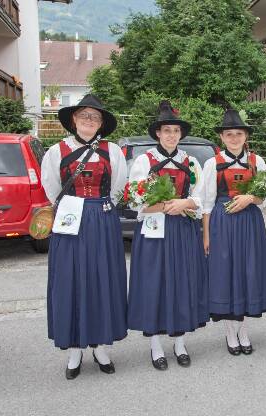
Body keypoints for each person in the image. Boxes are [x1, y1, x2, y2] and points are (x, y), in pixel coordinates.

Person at [40, 94, 127, 379]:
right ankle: (74, 349)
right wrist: (73, 209)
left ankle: (101, 346)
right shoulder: (57, 151)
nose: (89, 121)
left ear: (101, 124)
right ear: (74, 120)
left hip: (102, 219)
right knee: (71, 280)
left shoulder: (112, 151)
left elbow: (117, 189)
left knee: (103, 280)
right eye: (84, 116)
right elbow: (52, 189)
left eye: (95, 117)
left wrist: (98, 208)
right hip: (69, 221)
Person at [127, 101, 208, 370]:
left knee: (182, 282)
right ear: (158, 134)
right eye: (166, 130)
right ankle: (156, 346)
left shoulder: (192, 162)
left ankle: (180, 342)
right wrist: (165, 206)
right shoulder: (144, 161)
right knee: (155, 284)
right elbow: (135, 199)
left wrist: (185, 204)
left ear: (180, 134)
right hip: (154, 231)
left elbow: (201, 198)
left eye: (175, 130)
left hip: (183, 229)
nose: (171, 135)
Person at [201, 109, 266, 355]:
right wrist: (207, 234)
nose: (234, 138)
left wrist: (251, 197)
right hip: (223, 223)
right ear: (222, 137)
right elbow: (206, 203)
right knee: (226, 274)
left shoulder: (257, 161)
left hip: (250, 224)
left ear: (246, 137)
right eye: (229, 134)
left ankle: (243, 329)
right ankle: (230, 331)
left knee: (246, 273)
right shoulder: (212, 163)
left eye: (239, 134)